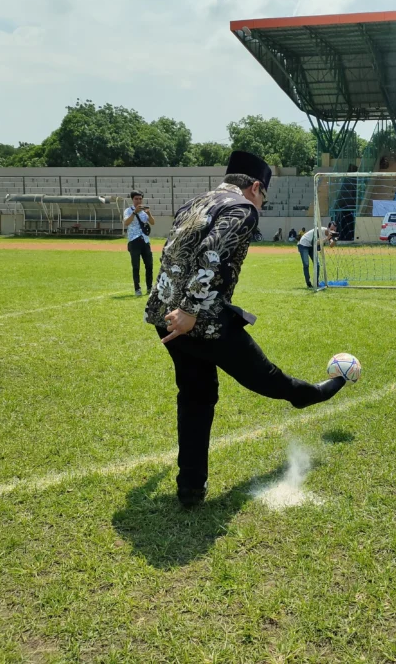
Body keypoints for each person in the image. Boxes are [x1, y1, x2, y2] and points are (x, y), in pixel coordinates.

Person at [144, 151, 350, 508]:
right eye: (264, 196)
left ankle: (190, 486)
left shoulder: (195, 203)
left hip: (165, 317)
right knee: (268, 378)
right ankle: (313, 392)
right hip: (200, 320)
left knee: (195, 396)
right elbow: (213, 252)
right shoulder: (242, 208)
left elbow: (170, 252)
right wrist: (191, 309)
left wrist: (174, 309)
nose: (262, 203)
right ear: (255, 186)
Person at [123, 191, 156, 297]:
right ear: (132, 200)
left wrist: (149, 213)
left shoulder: (144, 211)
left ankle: (150, 287)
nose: (138, 201)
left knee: (149, 265)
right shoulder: (128, 210)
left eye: (140, 198)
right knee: (136, 266)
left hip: (145, 241)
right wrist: (134, 213)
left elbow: (152, 222)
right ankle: (137, 289)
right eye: (136, 199)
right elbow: (126, 223)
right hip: (134, 240)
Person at [297, 221, 336, 288]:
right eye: (332, 229)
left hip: (312, 247)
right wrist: (327, 238)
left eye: (334, 230)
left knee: (317, 264)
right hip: (303, 244)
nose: (333, 231)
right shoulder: (319, 230)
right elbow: (315, 243)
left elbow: (331, 245)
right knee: (306, 264)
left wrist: (335, 239)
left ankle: (316, 282)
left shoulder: (331, 234)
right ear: (328, 228)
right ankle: (308, 283)